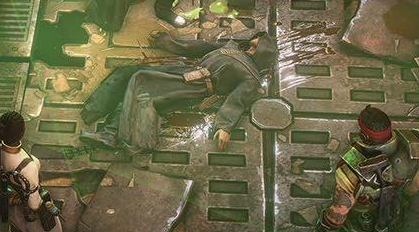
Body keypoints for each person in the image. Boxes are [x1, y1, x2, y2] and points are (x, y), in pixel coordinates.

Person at [297, 106, 419, 232]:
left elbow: (340, 211)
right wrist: (401, 202)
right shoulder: (412, 146)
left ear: (364, 134)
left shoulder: (352, 167)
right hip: (392, 214)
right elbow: (417, 184)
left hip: (356, 225)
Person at [79, 29, 273, 152]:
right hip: (184, 72)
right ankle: (93, 111)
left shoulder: (251, 76)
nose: (251, 46)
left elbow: (237, 101)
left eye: (256, 46)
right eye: (253, 43)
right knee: (125, 73)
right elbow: (200, 47)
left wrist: (224, 127)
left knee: (142, 85)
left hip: (195, 86)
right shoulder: (232, 48)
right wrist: (169, 42)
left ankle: (114, 135)